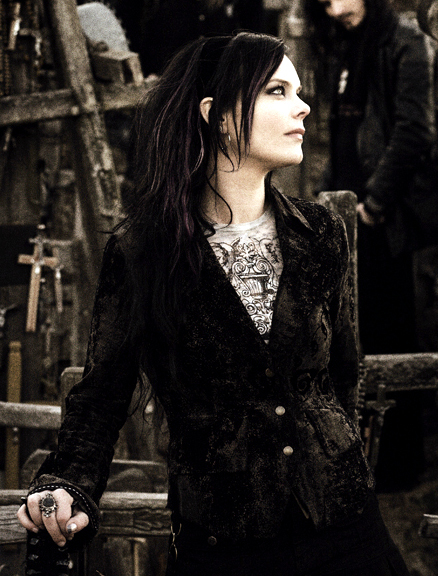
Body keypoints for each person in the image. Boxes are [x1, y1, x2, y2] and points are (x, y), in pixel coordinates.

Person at [18, 32, 410, 576]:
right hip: (225, 536)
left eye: (299, 91)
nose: (302, 106)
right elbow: (103, 392)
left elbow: (339, 377)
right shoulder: (143, 251)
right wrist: (68, 484)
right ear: (217, 115)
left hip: (344, 527)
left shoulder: (320, 232)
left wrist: (336, 467)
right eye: (277, 90)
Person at [303, 0, 437, 491]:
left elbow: (414, 130)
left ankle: (401, 467)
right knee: (361, 335)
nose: (332, 7)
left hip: (390, 221)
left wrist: (375, 203)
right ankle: (369, 458)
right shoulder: (346, 45)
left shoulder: (405, 43)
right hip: (351, 218)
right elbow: (342, 135)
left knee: (396, 333)